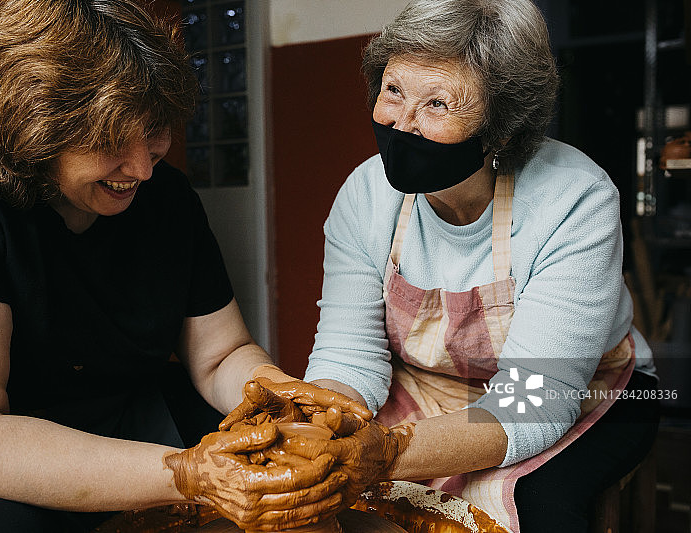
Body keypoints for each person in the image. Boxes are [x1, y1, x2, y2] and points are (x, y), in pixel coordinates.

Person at [0, 1, 371, 532]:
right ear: (36, 124)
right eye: (113, 140)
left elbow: (220, 355)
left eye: (155, 133)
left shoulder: (164, 196)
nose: (142, 167)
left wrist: (276, 394)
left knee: (287, 482)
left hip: (125, 414)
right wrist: (187, 474)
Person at [235, 1, 661, 532]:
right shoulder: (365, 196)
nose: (401, 124)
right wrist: (326, 427)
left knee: (542, 508)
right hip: (423, 383)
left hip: (580, 390)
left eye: (437, 103)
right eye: (393, 91)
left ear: (502, 126)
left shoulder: (575, 199)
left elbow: (537, 396)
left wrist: (385, 452)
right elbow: (350, 355)